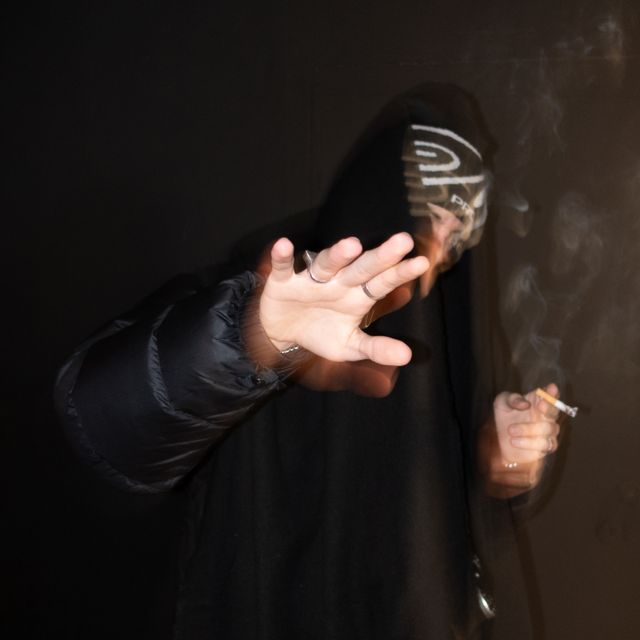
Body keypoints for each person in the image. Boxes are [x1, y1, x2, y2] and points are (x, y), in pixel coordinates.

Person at [56, 83, 561, 639]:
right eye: (430, 213)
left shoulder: (449, 344)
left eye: (459, 232)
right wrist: (255, 338)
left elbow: (445, 525)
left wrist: (499, 465)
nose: (439, 246)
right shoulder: (260, 285)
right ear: (382, 198)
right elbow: (103, 421)